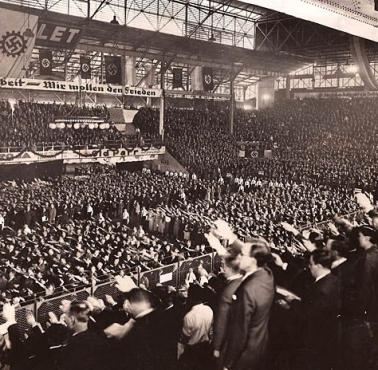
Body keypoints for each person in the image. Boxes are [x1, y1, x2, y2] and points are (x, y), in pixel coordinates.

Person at [222, 239, 275, 370]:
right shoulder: (267, 275)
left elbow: (240, 332)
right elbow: (262, 254)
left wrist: (228, 364)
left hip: (243, 359)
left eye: (243, 254)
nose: (239, 257)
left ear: (253, 260)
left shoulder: (247, 290)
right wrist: (231, 237)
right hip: (259, 347)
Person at [213, 253, 242, 369]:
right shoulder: (242, 281)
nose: (223, 269)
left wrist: (217, 347)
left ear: (230, 268)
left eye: (224, 266)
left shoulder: (228, 291)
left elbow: (221, 321)